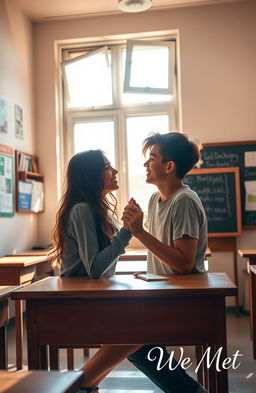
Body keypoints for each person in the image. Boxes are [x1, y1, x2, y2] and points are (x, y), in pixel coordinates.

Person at [122, 132, 208, 393]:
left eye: (152, 158)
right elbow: (163, 255)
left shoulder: (183, 201)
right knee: (123, 333)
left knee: (129, 339)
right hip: (162, 293)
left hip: (184, 298)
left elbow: (183, 263)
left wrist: (140, 232)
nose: (146, 165)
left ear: (170, 167)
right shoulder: (154, 199)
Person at [50, 150, 142, 392]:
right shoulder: (82, 209)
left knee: (140, 326)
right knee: (139, 328)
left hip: (95, 296)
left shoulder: (99, 210)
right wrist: (127, 232)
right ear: (91, 175)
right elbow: (96, 269)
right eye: (107, 167)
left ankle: (86, 386)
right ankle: (76, 385)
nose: (115, 171)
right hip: (79, 300)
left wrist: (125, 230)